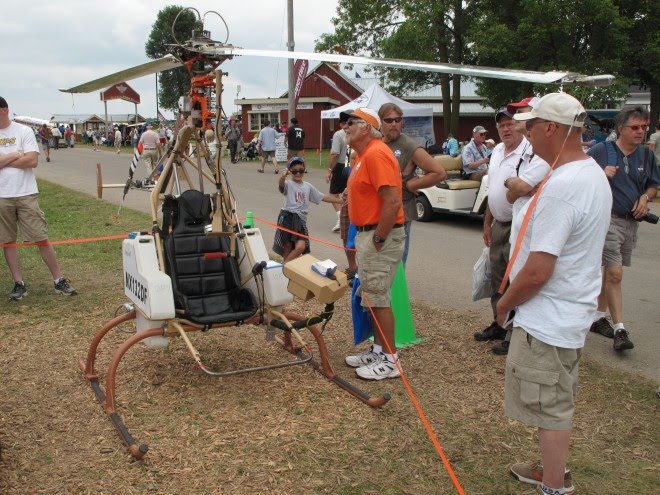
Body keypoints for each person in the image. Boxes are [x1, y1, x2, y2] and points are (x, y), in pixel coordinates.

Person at [499, 92, 611, 495]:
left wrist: (504, 304)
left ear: (550, 128)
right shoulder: (590, 172)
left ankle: (553, 485)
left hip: (550, 318)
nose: (526, 134)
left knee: (551, 407)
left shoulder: (563, 186)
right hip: (569, 311)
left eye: (530, 126)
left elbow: (539, 271)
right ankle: (550, 469)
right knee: (553, 398)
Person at [587, 106, 660, 351]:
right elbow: (578, 177)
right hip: (607, 219)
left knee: (610, 274)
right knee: (616, 273)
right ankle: (620, 329)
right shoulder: (600, 151)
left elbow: (653, 185)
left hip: (631, 222)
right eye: (635, 127)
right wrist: (599, 174)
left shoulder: (647, 156)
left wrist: (646, 198)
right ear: (621, 129)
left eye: (644, 127)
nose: (641, 132)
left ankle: (597, 317)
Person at [342, 107, 405, 381]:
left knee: (378, 299)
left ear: (367, 127)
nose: (345, 127)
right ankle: (379, 351)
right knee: (372, 297)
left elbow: (392, 201)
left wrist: (378, 238)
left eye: (351, 122)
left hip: (378, 236)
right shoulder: (365, 155)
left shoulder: (377, 154)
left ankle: (390, 360)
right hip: (367, 234)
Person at [0, 96, 77, 300]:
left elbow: (32, 160)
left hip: (25, 193)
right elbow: (23, 158)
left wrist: (5, 160)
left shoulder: (23, 131)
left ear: (4, 111)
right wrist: (15, 155)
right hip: (2, 196)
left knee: (41, 237)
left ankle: (58, 280)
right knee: (7, 241)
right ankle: (19, 284)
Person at [474, 107, 536, 355]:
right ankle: (500, 323)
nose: (506, 129)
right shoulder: (497, 150)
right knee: (498, 277)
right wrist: (487, 222)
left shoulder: (529, 152)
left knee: (515, 279)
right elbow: (492, 191)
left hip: (518, 225)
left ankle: (514, 331)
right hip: (499, 223)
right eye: (501, 125)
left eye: (511, 124)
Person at [378, 102, 447, 265]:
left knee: (396, 264)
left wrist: (411, 186)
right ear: (381, 122)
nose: (393, 124)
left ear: (402, 122)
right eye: (388, 120)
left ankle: (396, 291)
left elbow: (439, 173)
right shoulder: (377, 143)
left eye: (397, 120)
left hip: (401, 212)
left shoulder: (407, 144)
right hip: (379, 211)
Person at [272, 156, 342, 262]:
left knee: (300, 246)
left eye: (301, 170)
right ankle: (287, 272)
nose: (298, 173)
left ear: (304, 169)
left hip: (300, 221)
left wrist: (341, 201)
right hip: (286, 217)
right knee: (287, 248)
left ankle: (284, 267)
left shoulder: (307, 186)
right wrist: (282, 177)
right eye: (295, 171)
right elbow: (281, 185)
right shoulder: (288, 184)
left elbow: (322, 197)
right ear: (289, 172)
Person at [326, 117, 350, 233]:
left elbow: (335, 154)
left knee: (333, 194)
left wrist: (330, 169)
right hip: (353, 164)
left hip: (341, 165)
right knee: (350, 192)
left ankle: (341, 217)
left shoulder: (338, 135)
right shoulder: (356, 132)